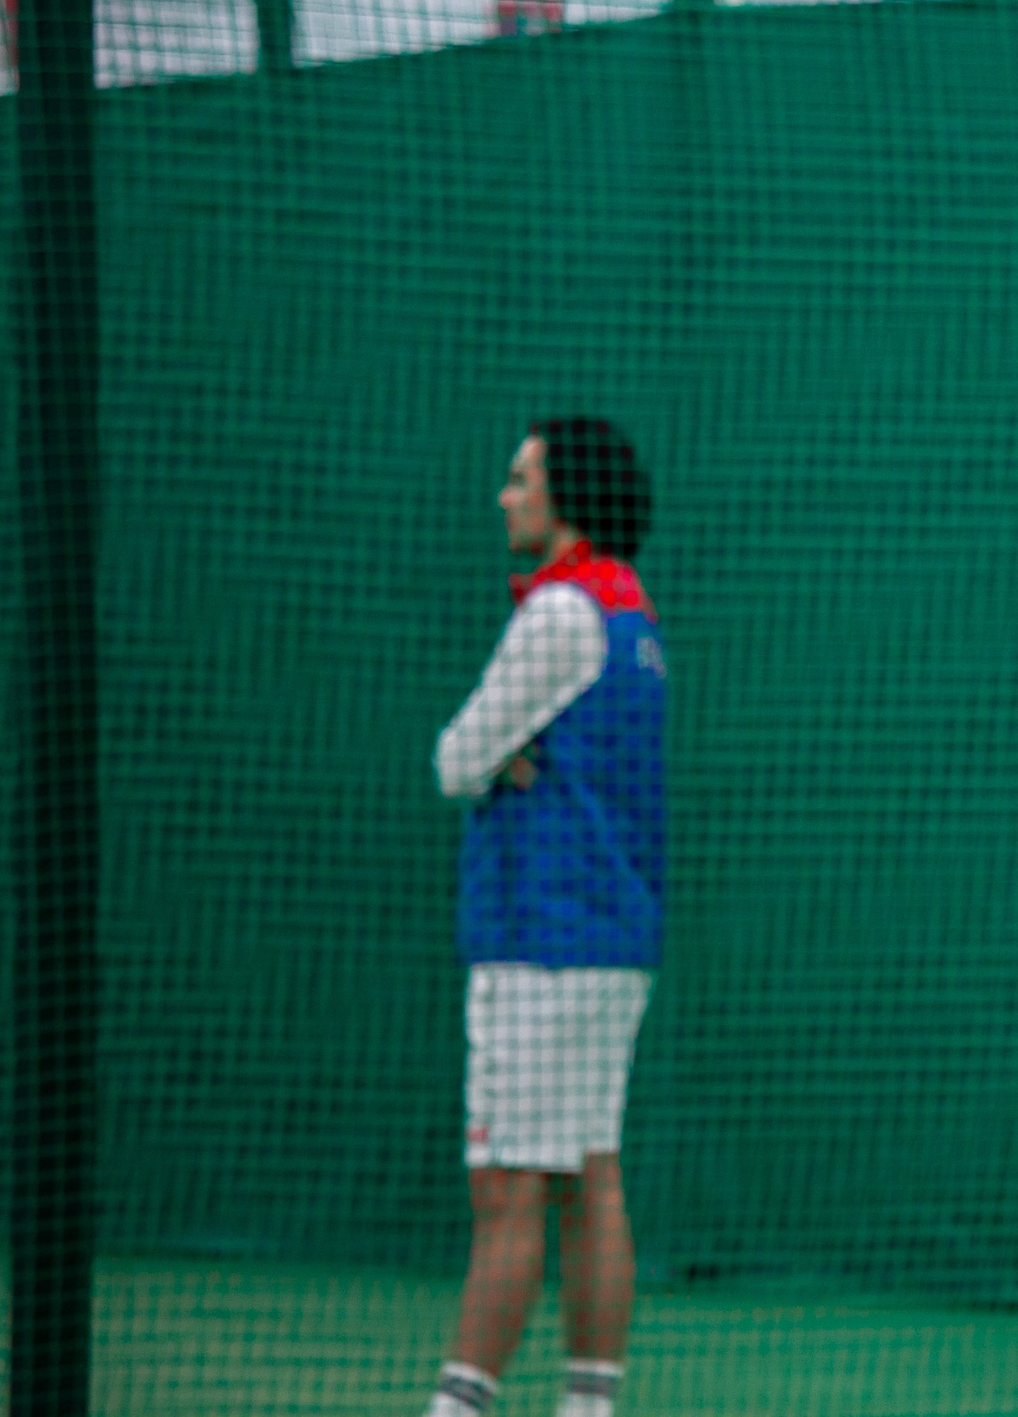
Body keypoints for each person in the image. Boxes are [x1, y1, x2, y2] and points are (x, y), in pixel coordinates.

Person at [423, 418, 667, 1417]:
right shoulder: (630, 610)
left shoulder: (561, 612)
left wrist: (508, 758)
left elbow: (455, 759)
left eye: (522, 478)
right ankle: (588, 1406)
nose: (506, 495)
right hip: (613, 942)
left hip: (540, 942)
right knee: (589, 1174)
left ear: (567, 492)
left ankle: (458, 1405)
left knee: (510, 1186)